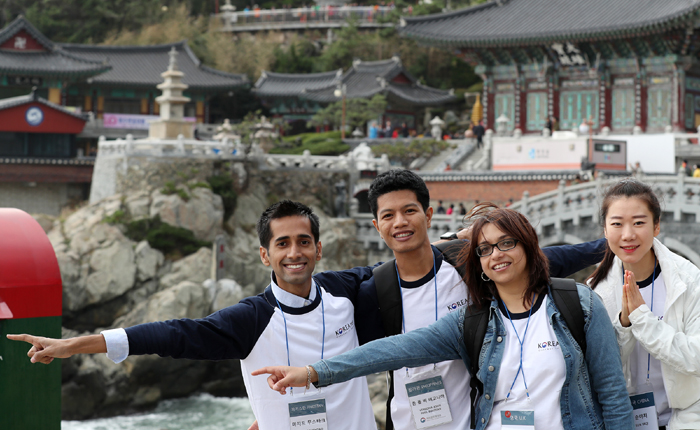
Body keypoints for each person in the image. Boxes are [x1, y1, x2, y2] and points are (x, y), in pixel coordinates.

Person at [255, 203, 633, 430]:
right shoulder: (474, 322)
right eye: (485, 249)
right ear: (479, 264)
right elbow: (392, 350)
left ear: (529, 247)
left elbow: (613, 397)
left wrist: (616, 242)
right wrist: (311, 373)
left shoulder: (578, 305)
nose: (497, 254)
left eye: (507, 243)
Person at [8, 201, 380, 430]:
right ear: (265, 255)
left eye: (303, 241)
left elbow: (403, 267)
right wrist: (76, 345)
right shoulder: (250, 319)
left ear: (319, 248)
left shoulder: (344, 288)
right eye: (282, 243)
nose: (294, 252)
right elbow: (175, 334)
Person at [589, 179, 700, 429]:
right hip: (625, 420)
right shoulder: (595, 292)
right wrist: (624, 325)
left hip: (688, 416)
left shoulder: (688, 280)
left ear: (657, 225)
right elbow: (598, 372)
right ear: (605, 230)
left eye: (639, 223)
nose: (628, 235)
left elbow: (696, 357)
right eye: (617, 224)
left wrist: (642, 320)